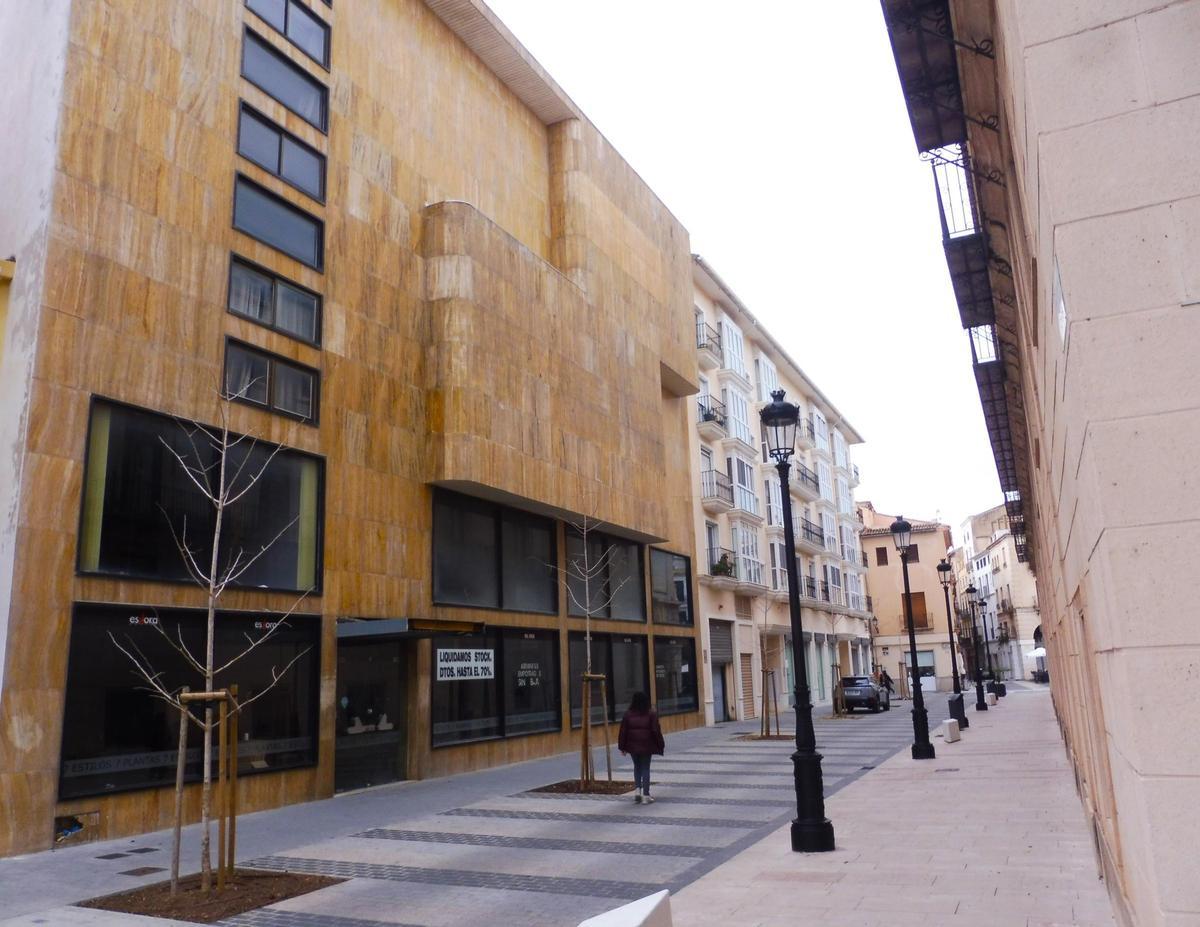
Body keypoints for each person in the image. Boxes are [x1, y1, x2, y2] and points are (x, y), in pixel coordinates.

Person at [618, 691, 664, 804]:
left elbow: (623, 731)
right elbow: (655, 731)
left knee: (637, 767)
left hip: (632, 746)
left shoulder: (628, 714)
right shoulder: (651, 714)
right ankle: (646, 795)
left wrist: (622, 747)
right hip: (647, 745)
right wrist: (660, 744)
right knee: (645, 768)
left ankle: (637, 790)